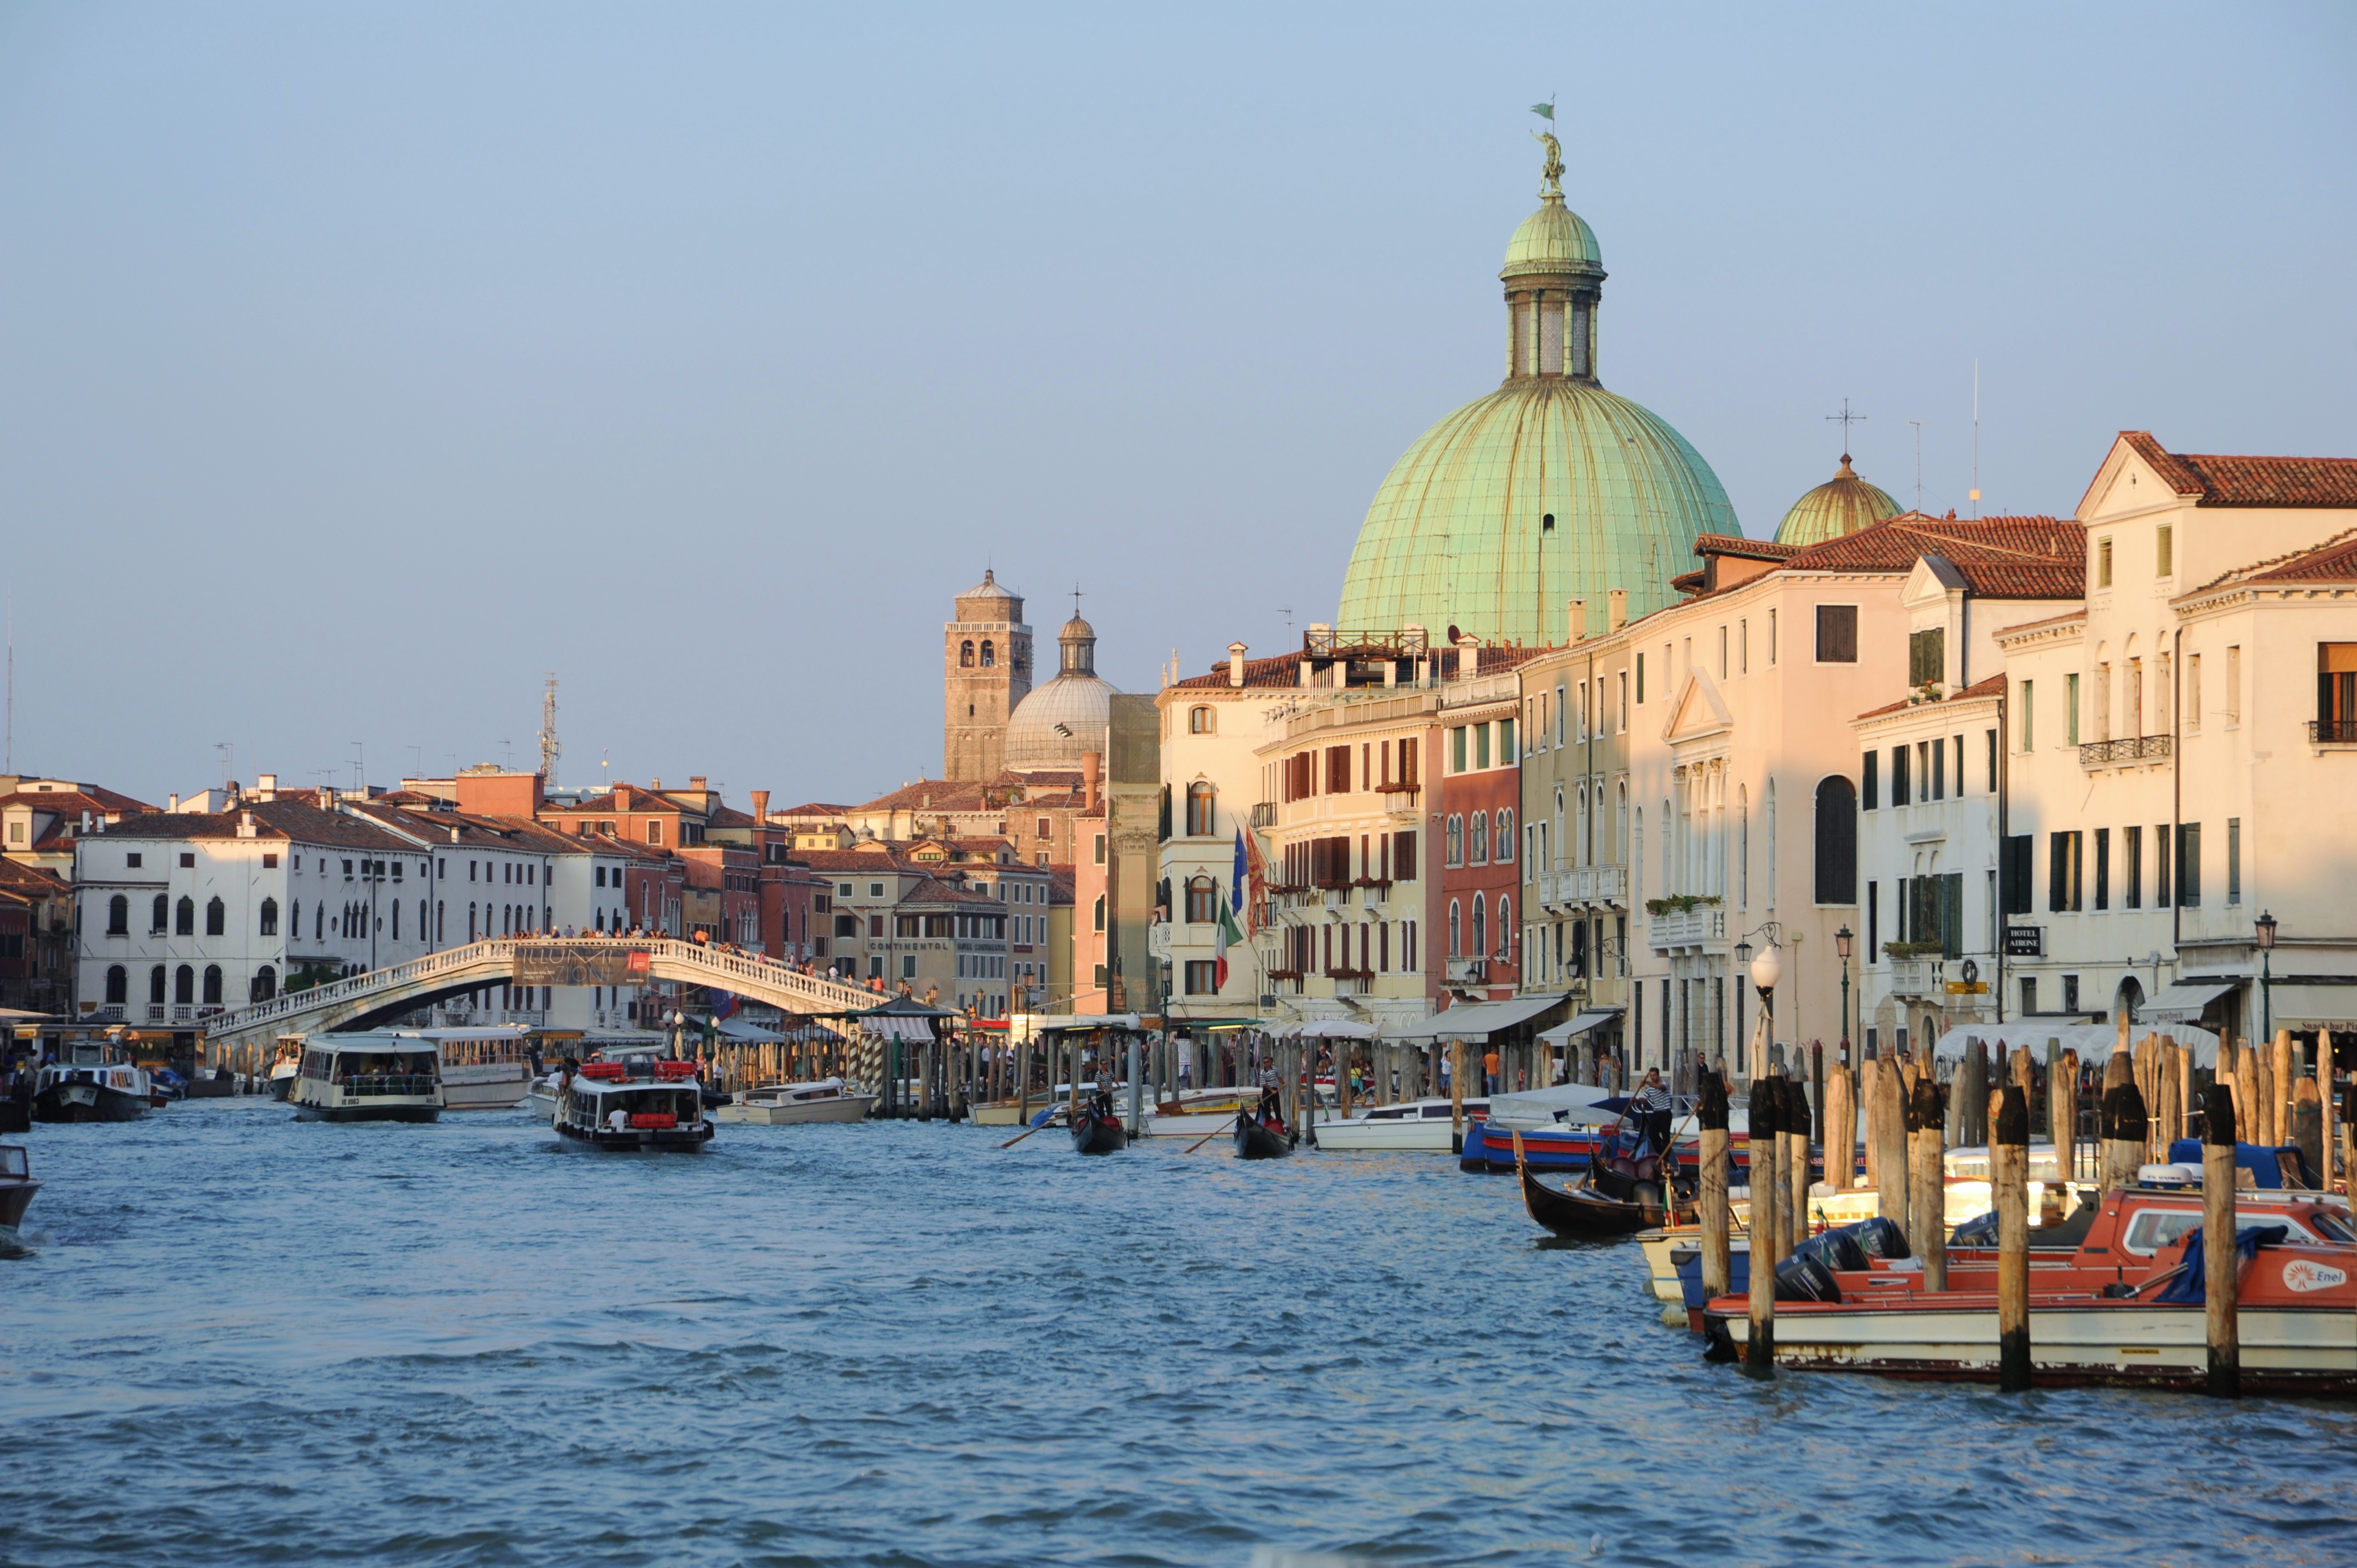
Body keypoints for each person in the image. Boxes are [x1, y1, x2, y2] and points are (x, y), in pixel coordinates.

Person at [1629, 1067, 1676, 1156]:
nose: (1653, 1077)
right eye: (1651, 1076)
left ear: (1658, 1075)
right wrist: (1636, 1100)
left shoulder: (1665, 1084)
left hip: (1666, 1114)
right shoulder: (1649, 1089)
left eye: (1654, 1075)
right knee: (1652, 1133)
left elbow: (1660, 1087)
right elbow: (1644, 1100)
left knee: (1666, 1136)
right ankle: (1661, 1154)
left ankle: (1666, 1157)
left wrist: (1646, 1082)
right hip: (1657, 1113)